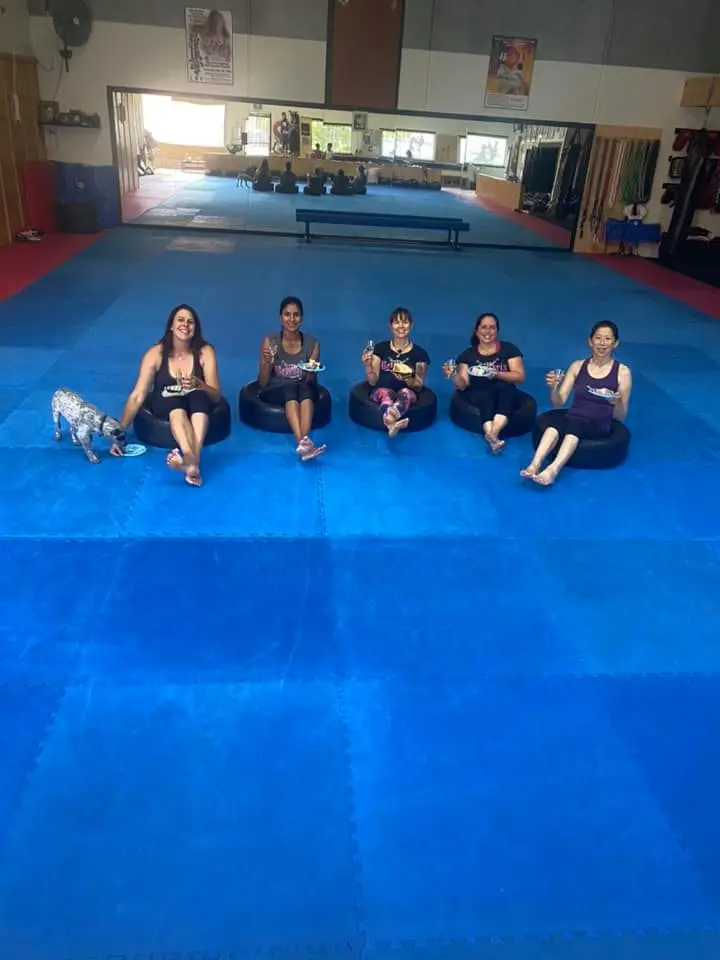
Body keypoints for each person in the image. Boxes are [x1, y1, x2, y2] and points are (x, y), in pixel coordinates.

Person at [114, 304, 221, 487]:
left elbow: (216, 396)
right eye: (180, 320)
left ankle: (191, 464)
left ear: (196, 328)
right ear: (171, 325)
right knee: (175, 408)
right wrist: (119, 433)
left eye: (190, 322)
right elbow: (138, 396)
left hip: (197, 402)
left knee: (199, 398)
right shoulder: (155, 354)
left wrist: (200, 384)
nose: (185, 325)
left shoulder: (205, 352)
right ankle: (190, 458)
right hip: (167, 402)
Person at [521, 321, 632, 486]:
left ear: (615, 343)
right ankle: (534, 464)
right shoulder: (577, 366)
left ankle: (553, 470)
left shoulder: (623, 372)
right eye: (598, 338)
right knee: (553, 426)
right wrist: (553, 388)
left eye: (607, 339)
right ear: (590, 341)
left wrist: (615, 402)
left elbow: (621, 416)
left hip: (598, 423)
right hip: (575, 416)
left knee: (574, 428)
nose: (602, 343)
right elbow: (559, 403)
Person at [443, 312, 525, 453]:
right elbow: (463, 384)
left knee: (506, 391)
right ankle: (493, 437)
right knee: (485, 396)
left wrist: (497, 374)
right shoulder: (468, 355)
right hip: (478, 391)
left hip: (503, 388)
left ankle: (492, 435)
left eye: (492, 328)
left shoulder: (509, 349)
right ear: (477, 330)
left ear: (497, 331)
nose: (488, 331)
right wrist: (453, 374)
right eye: (484, 327)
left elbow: (520, 376)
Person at [258, 296, 326, 461]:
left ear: (301, 318)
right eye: (287, 315)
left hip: (302, 389)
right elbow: (262, 382)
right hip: (275, 389)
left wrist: (313, 369)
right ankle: (302, 440)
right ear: (281, 318)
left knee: (303, 388)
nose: (292, 319)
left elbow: (311, 382)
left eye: (296, 315)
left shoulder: (313, 344)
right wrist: (268, 362)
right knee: (290, 388)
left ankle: (305, 444)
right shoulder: (270, 342)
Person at [361, 307, 430, 438]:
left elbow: (418, 385)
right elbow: (373, 381)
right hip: (382, 390)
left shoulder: (420, 354)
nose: (401, 326)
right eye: (397, 322)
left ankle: (390, 422)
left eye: (405, 322)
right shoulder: (380, 349)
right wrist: (368, 365)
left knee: (405, 394)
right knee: (385, 393)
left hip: (407, 391)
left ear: (411, 325)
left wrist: (407, 379)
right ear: (390, 326)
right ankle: (392, 422)